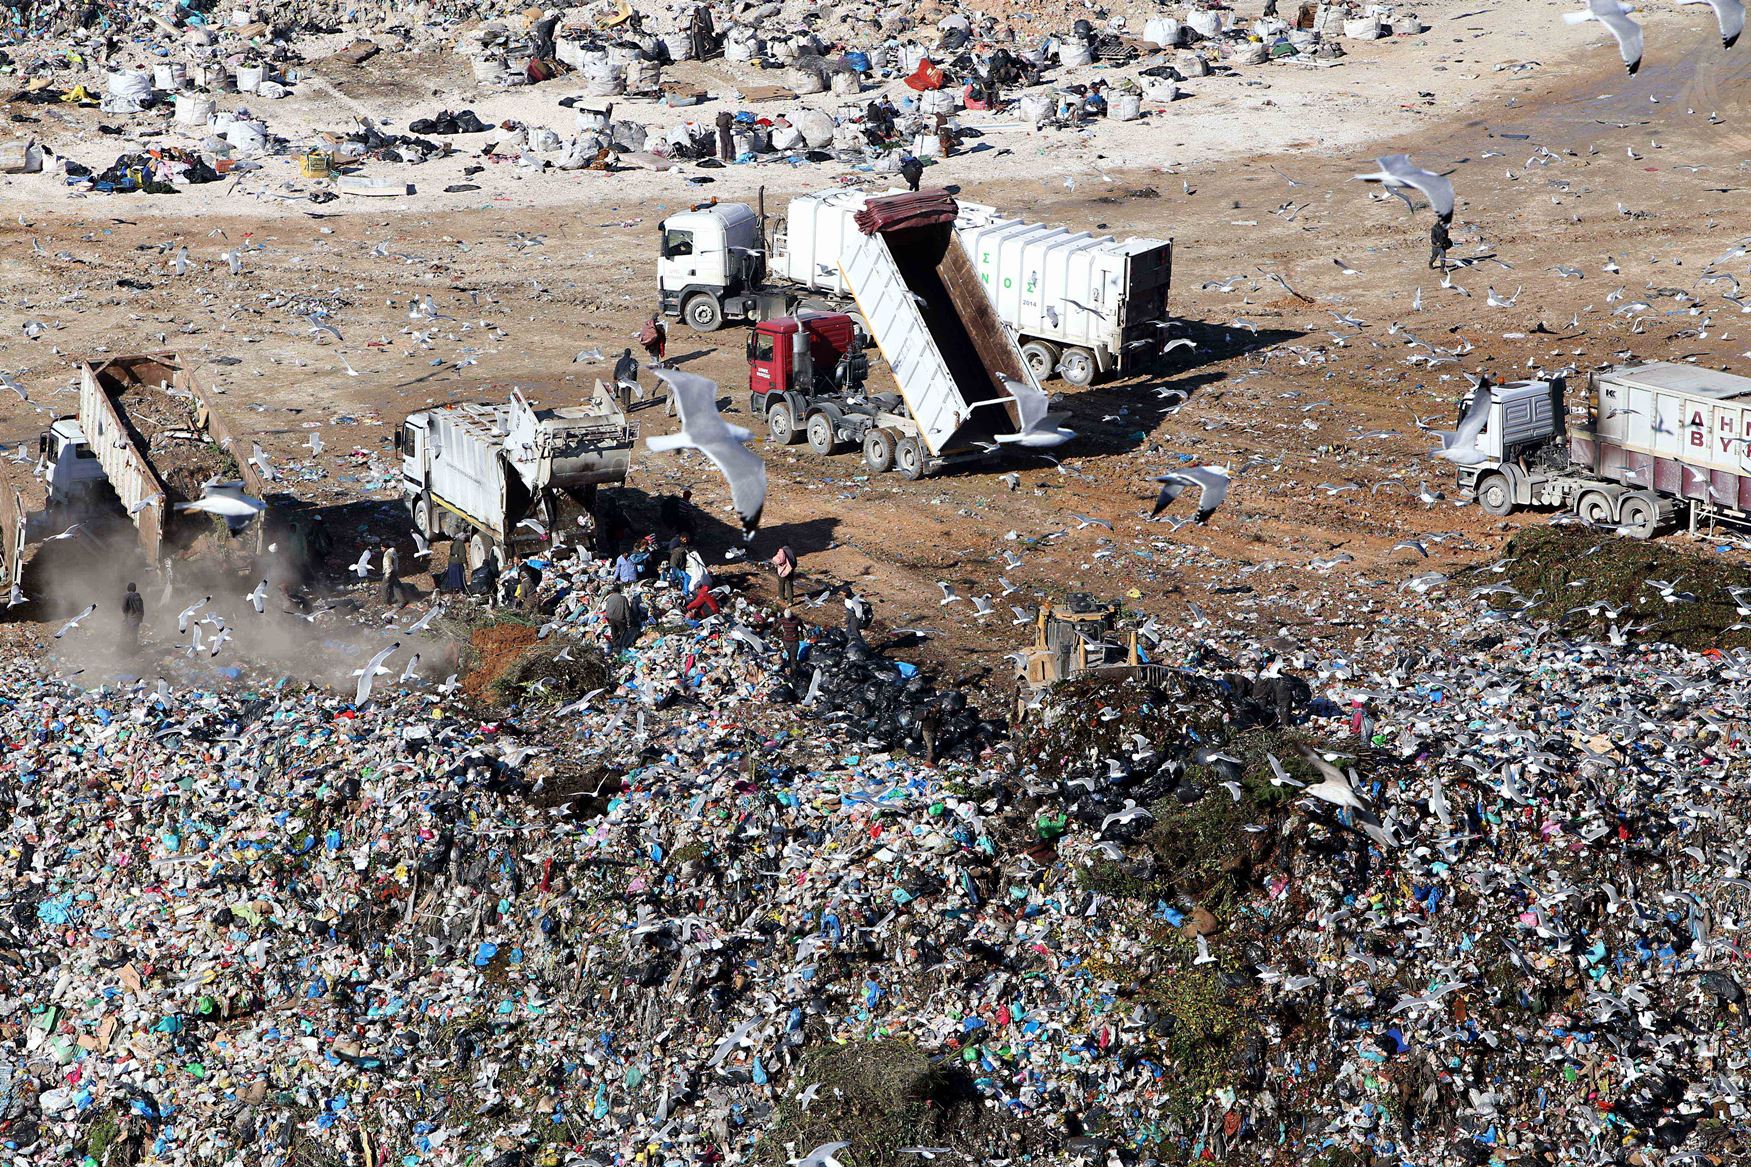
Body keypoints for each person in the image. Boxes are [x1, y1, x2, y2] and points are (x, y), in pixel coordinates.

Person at [602, 582, 633, 649]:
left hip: (611, 619)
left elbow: (607, 609)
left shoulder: (609, 598)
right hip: (620, 619)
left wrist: (608, 619)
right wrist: (628, 622)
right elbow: (627, 611)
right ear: (620, 591)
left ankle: (615, 647)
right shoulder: (623, 599)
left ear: (613, 591)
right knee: (623, 634)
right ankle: (622, 647)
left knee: (614, 634)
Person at [777, 607, 802, 674]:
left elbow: (775, 627)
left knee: (791, 657)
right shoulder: (797, 620)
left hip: (788, 641)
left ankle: (791, 671)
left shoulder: (782, 620)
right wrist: (802, 636)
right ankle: (793, 673)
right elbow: (802, 628)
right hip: (792, 642)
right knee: (793, 658)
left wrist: (771, 633)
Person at [121, 582, 144, 652]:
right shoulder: (138, 596)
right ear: (135, 589)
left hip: (129, 618)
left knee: (125, 633)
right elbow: (141, 608)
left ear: (128, 588)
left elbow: (124, 608)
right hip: (137, 618)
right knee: (134, 634)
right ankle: (133, 649)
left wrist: (126, 616)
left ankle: (125, 649)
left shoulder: (126, 596)